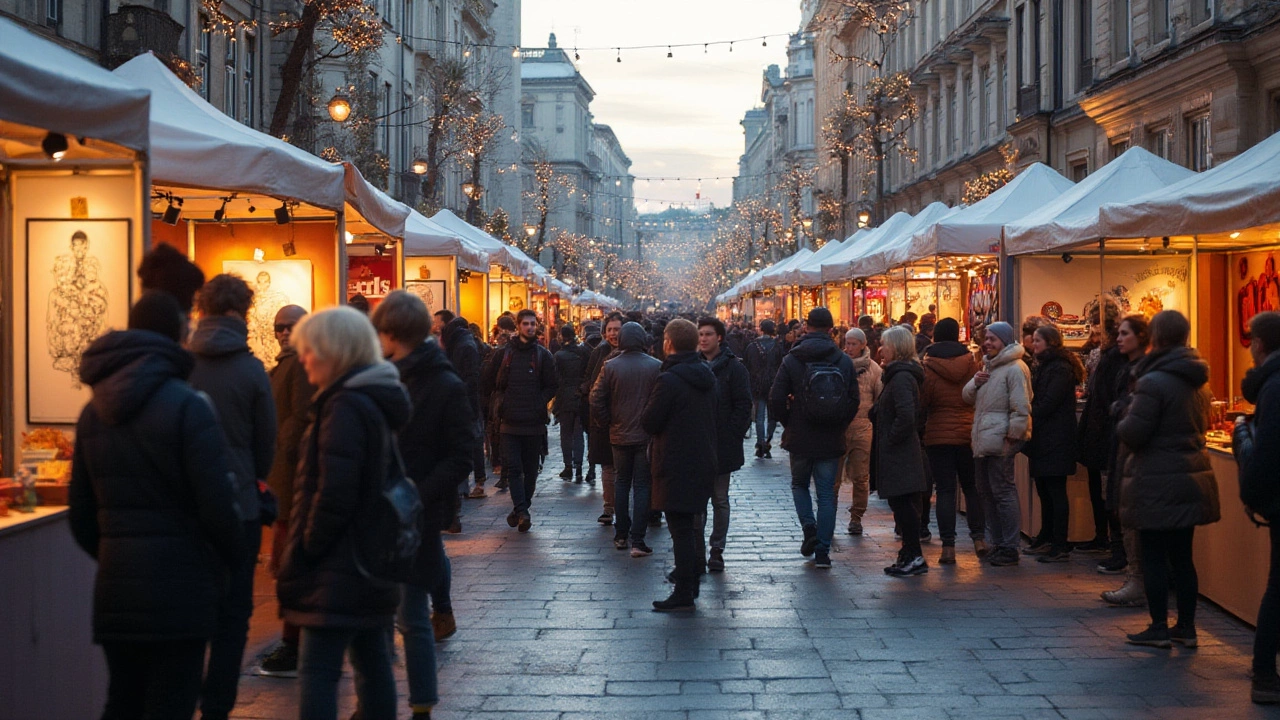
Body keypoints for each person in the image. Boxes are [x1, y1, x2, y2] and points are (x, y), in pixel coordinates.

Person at [69, 291, 244, 720]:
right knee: (172, 702)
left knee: (123, 700)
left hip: (117, 588)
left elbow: (81, 516)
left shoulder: (93, 413)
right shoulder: (187, 406)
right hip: (181, 589)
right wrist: (224, 561)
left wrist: (116, 552)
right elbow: (217, 506)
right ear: (177, 334)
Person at [276, 307, 409, 720]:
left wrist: (306, 550)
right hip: (368, 560)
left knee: (319, 672)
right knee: (372, 666)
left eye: (310, 350)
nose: (303, 359)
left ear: (334, 352)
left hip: (339, 564)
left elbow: (334, 493)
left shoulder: (344, 406)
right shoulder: (366, 399)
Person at [372, 291, 476, 719]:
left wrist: (416, 493)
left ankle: (420, 705)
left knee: (412, 614)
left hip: (417, 514)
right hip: (377, 514)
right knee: (380, 617)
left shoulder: (443, 382)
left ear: (392, 333)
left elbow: (461, 455)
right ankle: (376, 700)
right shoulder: (380, 377)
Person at [187, 274, 278, 720]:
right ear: (242, 313)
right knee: (232, 616)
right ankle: (218, 708)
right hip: (238, 506)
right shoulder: (251, 369)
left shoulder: (180, 364)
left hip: (186, 512)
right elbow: (266, 447)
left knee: (187, 615)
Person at [1116, 310, 1220, 649]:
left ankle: (1159, 625)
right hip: (1188, 476)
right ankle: (1186, 626)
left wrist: (1121, 415)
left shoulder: (1153, 381)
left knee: (1154, 555)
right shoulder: (1197, 380)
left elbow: (1135, 432)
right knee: (1182, 556)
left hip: (1156, 478)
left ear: (1156, 338)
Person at [770, 308, 860, 570]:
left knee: (799, 485)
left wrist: (789, 422)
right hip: (830, 437)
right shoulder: (842, 360)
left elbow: (776, 398)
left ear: (806, 327)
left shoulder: (792, 359)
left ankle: (809, 528)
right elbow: (854, 399)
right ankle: (822, 550)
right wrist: (839, 422)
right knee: (826, 494)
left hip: (800, 435)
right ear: (831, 330)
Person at [642, 319, 718, 611]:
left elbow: (650, 421)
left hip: (675, 460)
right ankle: (690, 583)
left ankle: (685, 590)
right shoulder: (706, 374)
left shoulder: (669, 379)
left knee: (681, 529)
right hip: (702, 458)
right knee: (689, 524)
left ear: (669, 343)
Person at [257, 304, 316, 678]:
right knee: (286, 565)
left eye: (289, 326)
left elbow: (300, 416)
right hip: (283, 478)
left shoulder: (297, 366)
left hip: (290, 481)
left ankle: (293, 642)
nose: (282, 332)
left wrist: (279, 445)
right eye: (278, 326)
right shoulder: (287, 364)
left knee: (289, 566)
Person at [1234, 312, 1280, 703]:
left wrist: (1252, 494)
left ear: (1261, 344)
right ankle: (1264, 673)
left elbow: (1266, 453)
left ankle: (1265, 672)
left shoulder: (1271, 386)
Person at [480, 308, 558, 532]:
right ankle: (522, 511)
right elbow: (487, 383)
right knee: (514, 468)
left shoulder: (543, 355)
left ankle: (520, 509)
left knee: (531, 470)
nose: (530, 327)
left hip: (533, 424)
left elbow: (552, 385)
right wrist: (497, 407)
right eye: (526, 324)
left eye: (533, 324)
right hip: (509, 423)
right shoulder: (503, 354)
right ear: (518, 326)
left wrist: (538, 401)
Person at [963, 321, 1032, 567]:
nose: (987, 342)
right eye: (986, 338)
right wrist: (975, 381)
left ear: (1004, 340)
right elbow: (967, 397)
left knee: (1002, 491)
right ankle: (998, 542)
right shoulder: (989, 367)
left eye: (992, 338)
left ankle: (1010, 547)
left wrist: (1012, 437)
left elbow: (1021, 406)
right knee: (986, 492)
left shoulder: (1014, 368)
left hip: (1000, 439)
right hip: (984, 438)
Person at [591, 322, 662, 555]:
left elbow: (595, 397)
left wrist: (607, 421)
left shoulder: (610, 366)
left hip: (619, 434)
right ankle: (638, 540)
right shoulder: (656, 366)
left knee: (621, 482)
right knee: (642, 485)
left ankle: (621, 534)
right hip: (645, 435)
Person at [921, 317, 985, 564]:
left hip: (938, 434)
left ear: (935, 336)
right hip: (968, 432)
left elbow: (923, 402)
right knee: (971, 487)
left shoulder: (928, 367)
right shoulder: (972, 363)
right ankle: (979, 537)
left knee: (945, 490)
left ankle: (948, 547)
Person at [1100, 315, 1152, 606]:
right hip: (1121, 447)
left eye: (1124, 333)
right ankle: (1135, 576)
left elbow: (1137, 411)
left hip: (1133, 451)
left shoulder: (1142, 370)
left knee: (1132, 515)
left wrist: (1120, 408)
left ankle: (1137, 580)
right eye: (1117, 333)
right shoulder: (1125, 366)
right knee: (1123, 511)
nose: (1118, 338)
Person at [1023, 324, 1085, 563]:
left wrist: (1027, 410)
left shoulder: (1059, 368)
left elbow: (1048, 403)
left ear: (1050, 342)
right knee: (1045, 490)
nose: (1033, 344)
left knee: (1056, 491)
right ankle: (1047, 536)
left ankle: (1059, 542)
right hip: (1045, 438)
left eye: (1038, 341)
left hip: (1056, 438)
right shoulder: (1045, 366)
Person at [697, 317, 752, 572]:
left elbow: (743, 405)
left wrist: (731, 434)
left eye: (708, 334)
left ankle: (716, 549)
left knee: (719, 499)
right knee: (697, 500)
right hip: (697, 445)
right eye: (700, 334)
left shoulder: (734, 368)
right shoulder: (692, 365)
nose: (703, 338)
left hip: (723, 445)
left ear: (719, 337)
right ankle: (697, 549)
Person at [875, 325, 930, 577]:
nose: (880, 349)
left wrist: (890, 438)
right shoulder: (896, 374)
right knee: (901, 503)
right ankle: (909, 553)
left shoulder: (902, 377)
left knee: (905, 505)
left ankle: (914, 555)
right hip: (899, 450)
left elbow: (907, 415)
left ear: (896, 348)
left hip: (901, 452)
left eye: (884, 345)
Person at [1075, 316, 1126, 560]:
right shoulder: (1108, 358)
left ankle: (1114, 545)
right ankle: (1106, 539)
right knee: (1102, 489)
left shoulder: (1114, 360)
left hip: (1105, 432)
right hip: (1101, 431)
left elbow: (1106, 398)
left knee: (1108, 491)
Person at [840, 327, 883, 536]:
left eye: (853, 344)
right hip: (839, 428)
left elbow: (879, 399)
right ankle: (827, 515)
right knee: (833, 477)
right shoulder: (838, 365)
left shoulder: (874, 369)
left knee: (860, 476)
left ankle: (856, 516)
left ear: (863, 345)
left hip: (863, 426)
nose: (848, 348)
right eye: (847, 343)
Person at [440, 314, 487, 501]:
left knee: (469, 442)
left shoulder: (462, 346)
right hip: (468, 401)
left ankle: (467, 486)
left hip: (466, 403)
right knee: (471, 442)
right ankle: (469, 484)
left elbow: (470, 378)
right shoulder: (466, 344)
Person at [582, 312, 624, 519]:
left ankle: (625, 507)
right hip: (603, 419)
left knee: (624, 469)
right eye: (610, 330)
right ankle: (609, 507)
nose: (614, 333)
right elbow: (590, 381)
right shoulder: (598, 353)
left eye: (617, 329)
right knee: (608, 466)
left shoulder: (635, 352)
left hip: (626, 419)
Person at [554, 324, 590, 482]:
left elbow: (555, 379)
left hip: (564, 398)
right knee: (578, 434)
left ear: (562, 336)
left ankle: (568, 466)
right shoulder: (583, 352)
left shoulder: (559, 355)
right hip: (580, 396)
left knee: (566, 434)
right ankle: (579, 467)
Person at [745, 319, 784, 458]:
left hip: (757, 384)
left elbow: (748, 366)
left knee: (759, 416)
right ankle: (768, 439)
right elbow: (781, 365)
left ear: (761, 329)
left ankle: (760, 441)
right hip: (774, 383)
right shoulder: (777, 346)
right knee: (772, 416)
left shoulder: (752, 346)